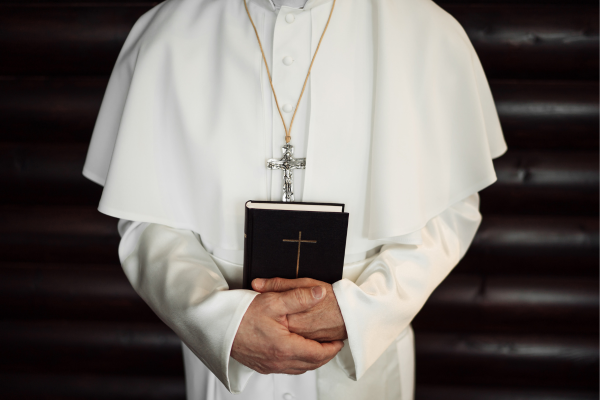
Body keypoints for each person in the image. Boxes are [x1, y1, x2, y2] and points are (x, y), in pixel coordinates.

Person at [83, 0, 507, 398]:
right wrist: (222, 323)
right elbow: (147, 217)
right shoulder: (170, 29)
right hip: (231, 365)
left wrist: (361, 313)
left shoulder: (424, 29)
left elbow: (450, 209)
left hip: (362, 363)